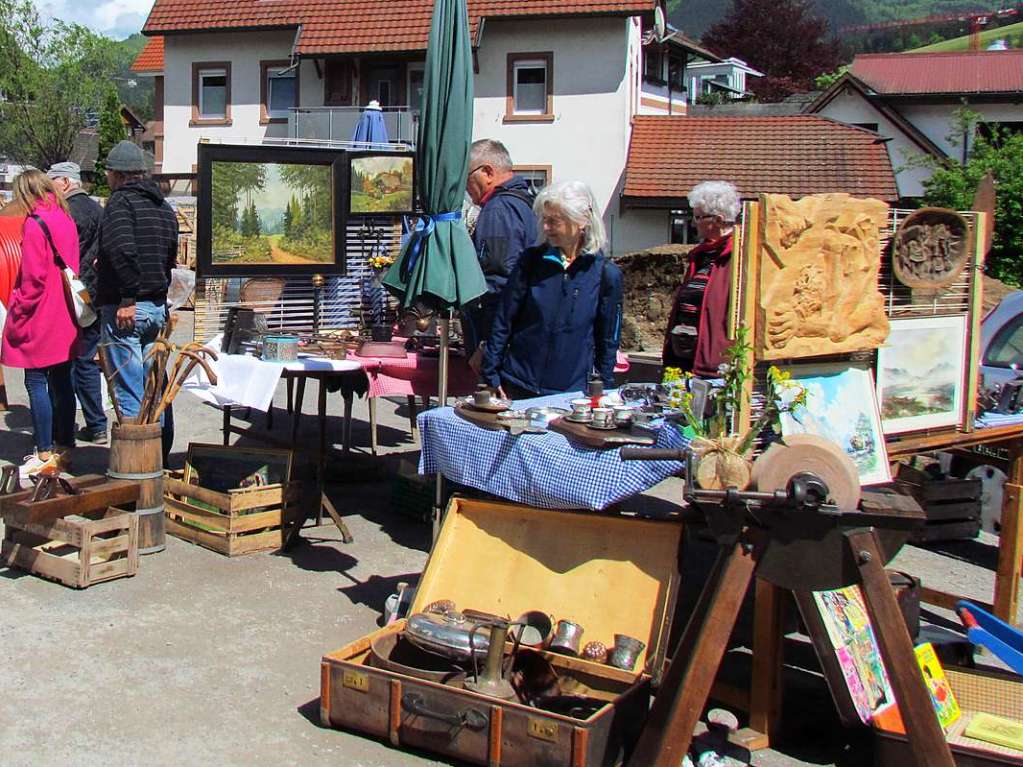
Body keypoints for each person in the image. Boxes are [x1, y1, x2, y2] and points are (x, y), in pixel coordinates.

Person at [480, 180, 623, 399]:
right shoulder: (531, 261)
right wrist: (491, 373)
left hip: (570, 393)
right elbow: (504, 318)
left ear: (581, 221)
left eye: (554, 221)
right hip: (517, 382)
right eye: (544, 220)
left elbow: (608, 339)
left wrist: (603, 389)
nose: (546, 228)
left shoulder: (605, 274)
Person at [0, 170, 80, 477]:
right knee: (62, 383)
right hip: (65, 313)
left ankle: (44, 450)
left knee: (36, 383)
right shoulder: (65, 217)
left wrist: (17, 313)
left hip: (41, 314)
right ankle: (65, 446)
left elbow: (33, 281)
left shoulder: (35, 224)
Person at [96, 140, 177, 442]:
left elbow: (122, 250)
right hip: (154, 307)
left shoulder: (120, 202)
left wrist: (127, 297)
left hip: (129, 308)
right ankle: (159, 455)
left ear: (117, 174)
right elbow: (169, 256)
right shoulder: (162, 206)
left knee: (129, 389)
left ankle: (137, 468)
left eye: (108, 173)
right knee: (154, 388)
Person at [463, 139, 538, 368]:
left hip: (501, 340)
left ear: (487, 172)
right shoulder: (526, 202)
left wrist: (487, 344)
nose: (465, 188)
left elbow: (497, 281)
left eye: (466, 178)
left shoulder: (498, 209)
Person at [48, 162, 107, 445]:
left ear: (66, 182)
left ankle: (65, 425)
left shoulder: (66, 212)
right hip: (94, 293)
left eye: (53, 182)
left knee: (68, 359)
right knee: (87, 359)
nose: (50, 189)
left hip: (71, 291)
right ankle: (96, 424)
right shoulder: (99, 209)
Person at [662, 181, 739, 377]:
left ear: (719, 220)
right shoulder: (701, 255)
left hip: (714, 365)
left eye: (698, 217)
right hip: (684, 358)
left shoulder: (739, 256)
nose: (693, 222)